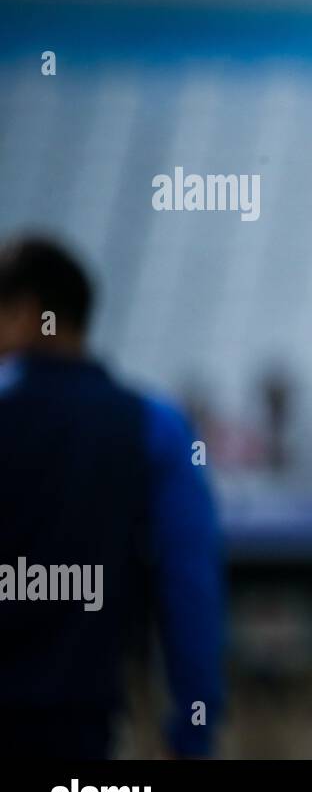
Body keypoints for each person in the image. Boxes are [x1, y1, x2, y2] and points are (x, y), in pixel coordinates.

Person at [0, 235, 225, 757]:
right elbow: (191, 589)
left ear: (28, 312)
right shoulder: (155, 427)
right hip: (82, 734)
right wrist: (194, 728)